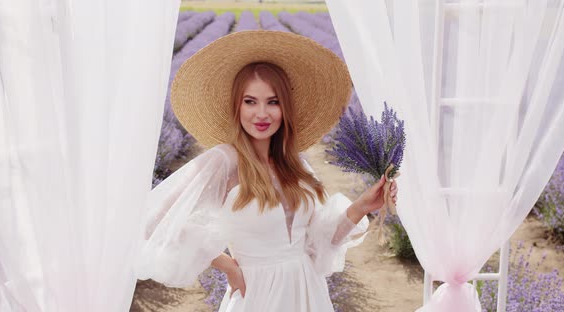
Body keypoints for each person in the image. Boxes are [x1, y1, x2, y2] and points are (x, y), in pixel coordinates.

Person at [134, 30, 398, 312]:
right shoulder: (224, 160)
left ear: (285, 108)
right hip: (258, 295)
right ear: (237, 106)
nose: (262, 114)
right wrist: (226, 265)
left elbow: (318, 243)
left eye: (273, 102)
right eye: (250, 101)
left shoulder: (295, 164)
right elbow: (152, 220)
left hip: (308, 293)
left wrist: (362, 206)